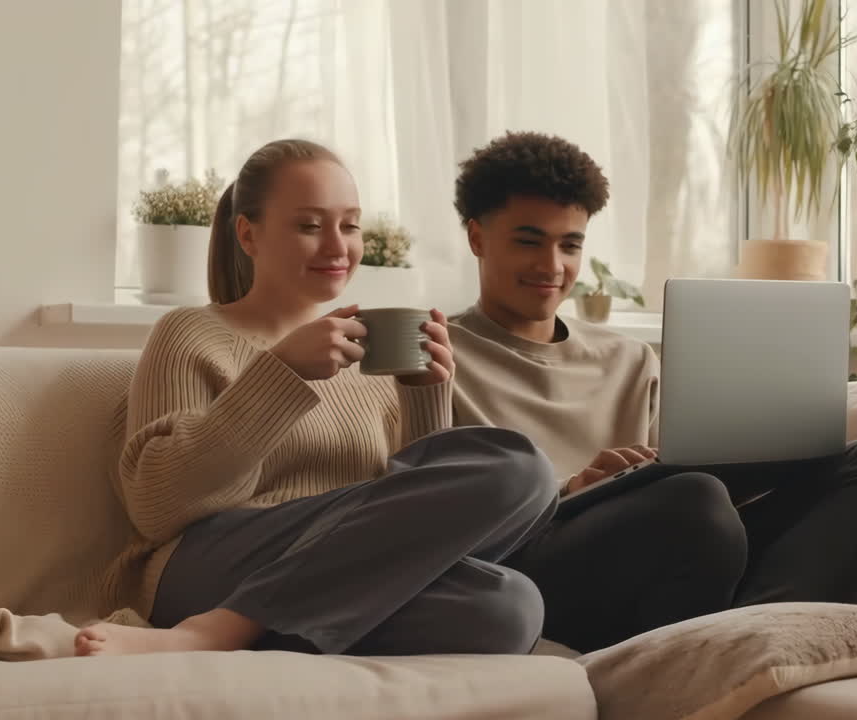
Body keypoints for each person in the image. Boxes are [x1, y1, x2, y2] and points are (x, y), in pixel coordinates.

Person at [74, 139, 557, 658]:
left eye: (349, 225)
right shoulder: (191, 334)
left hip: (332, 578)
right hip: (201, 568)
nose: (337, 247)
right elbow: (157, 505)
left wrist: (425, 397)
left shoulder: (369, 359)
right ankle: (213, 628)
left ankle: (253, 626)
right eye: (310, 226)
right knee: (518, 467)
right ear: (248, 234)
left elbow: (399, 515)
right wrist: (280, 373)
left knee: (508, 609)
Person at [447, 131, 857, 653]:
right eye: (529, 241)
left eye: (571, 244)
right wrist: (569, 489)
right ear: (477, 238)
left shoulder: (627, 358)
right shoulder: (439, 358)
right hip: (536, 567)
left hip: (672, 547)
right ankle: (716, 648)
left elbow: (680, 475)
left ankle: (744, 637)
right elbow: (437, 518)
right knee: (694, 500)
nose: (552, 266)